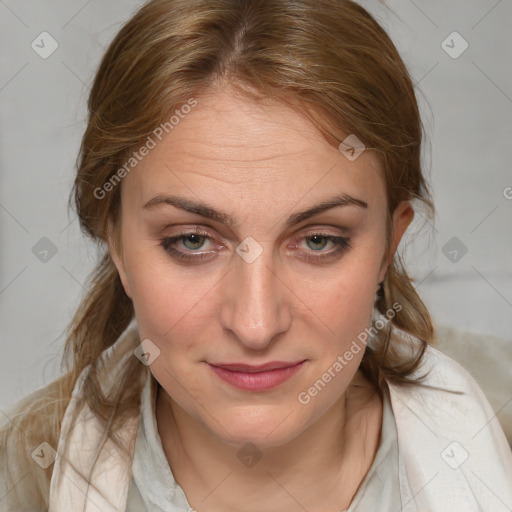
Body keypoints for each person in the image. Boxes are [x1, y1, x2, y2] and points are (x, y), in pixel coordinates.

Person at [1, 0, 511, 511]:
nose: (256, 325)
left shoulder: (501, 419)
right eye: (193, 240)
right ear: (116, 244)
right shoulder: (22, 477)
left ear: (388, 246)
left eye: (318, 241)